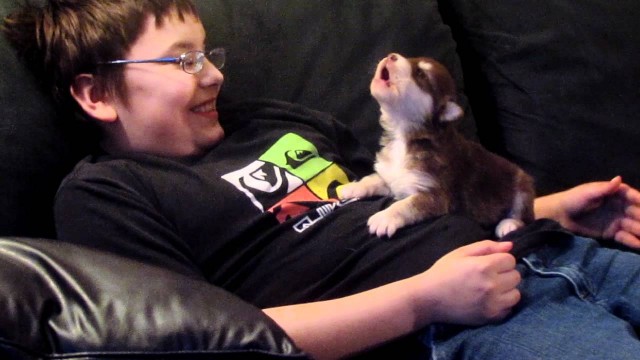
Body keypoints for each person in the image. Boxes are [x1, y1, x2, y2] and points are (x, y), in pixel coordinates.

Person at [3, 1, 640, 359]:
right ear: (95, 94)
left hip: (555, 250)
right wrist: (425, 300)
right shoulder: (107, 194)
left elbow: (417, 194)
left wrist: (551, 208)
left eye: (208, 54)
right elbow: (208, 343)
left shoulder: (278, 121)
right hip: (467, 325)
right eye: (181, 60)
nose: (213, 75)